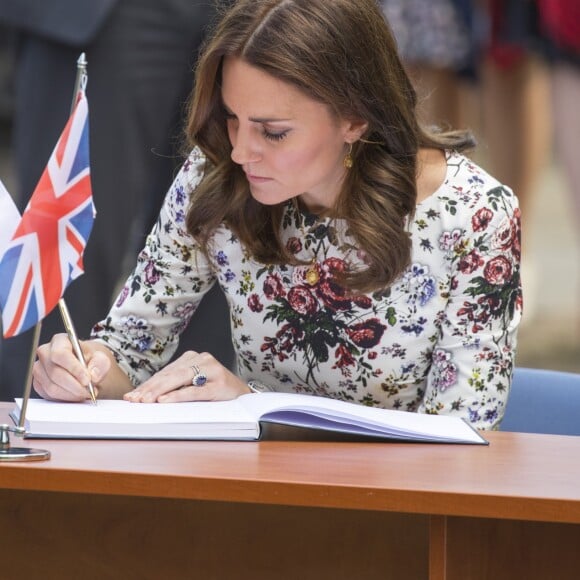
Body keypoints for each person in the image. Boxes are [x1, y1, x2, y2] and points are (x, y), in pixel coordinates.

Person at [32, 0, 522, 431]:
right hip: (258, 497)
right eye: (232, 118)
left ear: (355, 118)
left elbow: (462, 436)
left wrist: (257, 410)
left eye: (274, 132)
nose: (242, 151)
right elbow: (132, 352)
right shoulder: (217, 173)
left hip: (402, 519)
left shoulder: (476, 215)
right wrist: (88, 369)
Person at [0, 0, 234, 401]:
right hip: (106, 14)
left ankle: (196, 446)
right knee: (65, 249)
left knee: (224, 225)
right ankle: (31, 447)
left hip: (237, 14)